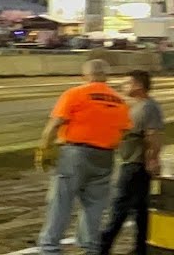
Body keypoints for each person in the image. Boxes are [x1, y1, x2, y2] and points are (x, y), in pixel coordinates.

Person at [35, 58, 132, 255]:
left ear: (85, 75)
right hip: (105, 156)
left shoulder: (76, 93)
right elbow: (124, 133)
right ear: (107, 76)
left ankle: (50, 248)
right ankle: (90, 248)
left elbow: (54, 125)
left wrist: (44, 147)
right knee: (95, 206)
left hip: (75, 154)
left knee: (61, 202)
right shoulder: (120, 101)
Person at [99, 69, 165, 255]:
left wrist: (153, 159)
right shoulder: (136, 106)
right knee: (140, 208)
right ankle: (141, 248)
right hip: (132, 162)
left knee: (120, 206)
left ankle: (103, 248)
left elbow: (153, 135)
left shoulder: (148, 107)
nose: (123, 86)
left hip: (135, 164)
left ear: (138, 85)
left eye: (127, 83)